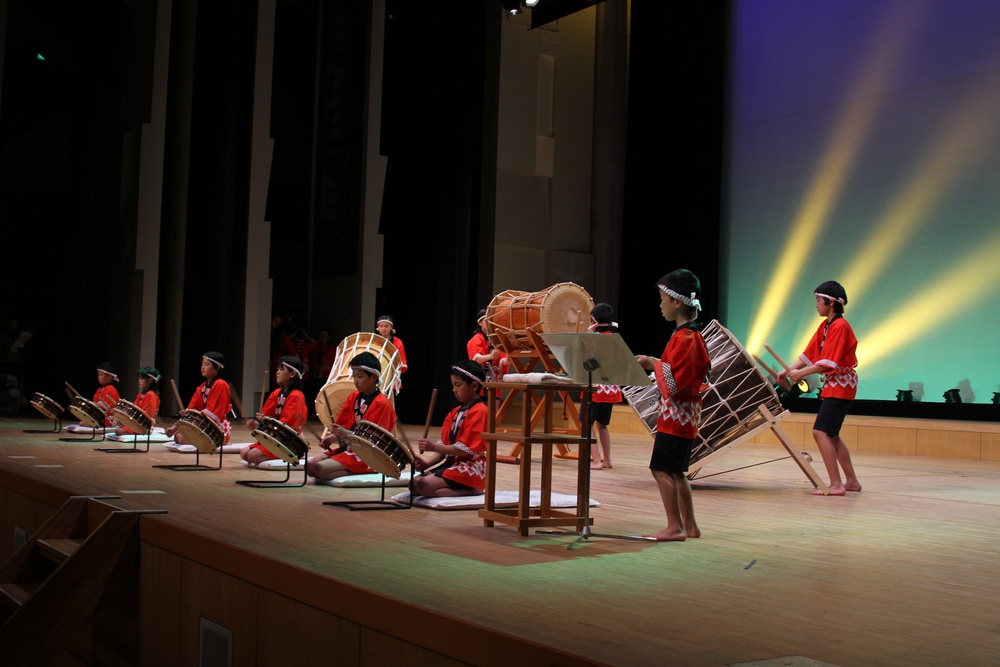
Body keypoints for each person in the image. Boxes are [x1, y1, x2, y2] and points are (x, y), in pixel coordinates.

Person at [635, 269, 711, 542]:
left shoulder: (685, 338)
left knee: (661, 470)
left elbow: (673, 381)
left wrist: (649, 362)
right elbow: (675, 370)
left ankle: (674, 527)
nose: (660, 305)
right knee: (677, 472)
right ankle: (689, 527)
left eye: (662, 298)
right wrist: (653, 360)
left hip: (677, 416)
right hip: (684, 416)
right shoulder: (689, 335)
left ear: (677, 302)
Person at [777, 280, 862, 496]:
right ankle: (851, 481)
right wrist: (788, 370)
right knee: (831, 435)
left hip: (841, 386)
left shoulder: (840, 326)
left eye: (818, 300)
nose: (816, 304)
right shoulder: (826, 326)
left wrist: (801, 374)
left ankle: (836, 484)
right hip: (836, 386)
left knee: (820, 432)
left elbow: (828, 362)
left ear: (830, 303)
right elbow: (810, 354)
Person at [305, 352, 397, 482]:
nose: (355, 381)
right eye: (354, 376)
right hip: (350, 448)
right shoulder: (353, 397)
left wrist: (346, 434)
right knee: (309, 466)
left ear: (374, 377)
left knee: (320, 469)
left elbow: (374, 440)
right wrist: (332, 437)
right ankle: (340, 469)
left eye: (360, 376)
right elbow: (342, 426)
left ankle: (369, 470)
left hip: (369, 455)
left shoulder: (382, 404)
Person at [413, 360, 488, 497]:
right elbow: (444, 449)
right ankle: (464, 488)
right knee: (414, 484)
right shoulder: (454, 412)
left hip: (471, 466)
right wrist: (426, 463)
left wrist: (433, 447)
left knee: (425, 485)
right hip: (453, 463)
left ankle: (473, 489)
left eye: (458, 385)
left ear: (474, 386)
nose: (454, 390)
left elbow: (463, 449)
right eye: (453, 385)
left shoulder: (480, 411)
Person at [241, 356, 309, 465]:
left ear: (292, 374)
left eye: (282, 369)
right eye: (278, 369)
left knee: (252, 455)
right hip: (275, 434)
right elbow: (266, 414)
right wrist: (257, 422)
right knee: (244, 453)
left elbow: (288, 423)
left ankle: (289, 455)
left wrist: (268, 423)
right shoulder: (276, 393)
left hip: (288, 438)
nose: (277, 372)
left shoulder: (297, 396)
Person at [165, 351, 233, 445]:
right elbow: (192, 409)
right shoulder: (201, 388)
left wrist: (194, 414)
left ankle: (214, 440)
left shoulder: (221, 385)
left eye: (206, 364)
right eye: (202, 364)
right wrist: (175, 427)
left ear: (217, 367)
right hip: (203, 423)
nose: (203, 367)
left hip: (217, 427)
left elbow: (215, 413)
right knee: (179, 436)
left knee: (181, 438)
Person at [586, 303, 621, 470]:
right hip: (611, 389)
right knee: (602, 424)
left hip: (596, 390)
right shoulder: (615, 339)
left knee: (586, 424)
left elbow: (591, 365)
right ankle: (607, 460)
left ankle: (596, 461)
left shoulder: (595, 341)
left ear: (594, 320)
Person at [115, 367, 161, 435]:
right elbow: (134, 409)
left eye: (142, 378)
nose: (139, 381)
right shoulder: (141, 394)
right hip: (136, 422)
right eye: (139, 378)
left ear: (150, 380)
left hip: (143, 424)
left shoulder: (151, 395)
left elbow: (147, 416)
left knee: (119, 431)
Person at [92, 362, 121, 427]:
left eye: (101, 375)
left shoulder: (111, 389)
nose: (99, 377)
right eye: (98, 375)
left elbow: (108, 409)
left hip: (109, 417)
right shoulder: (99, 390)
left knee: (85, 422)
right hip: (100, 415)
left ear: (109, 376)